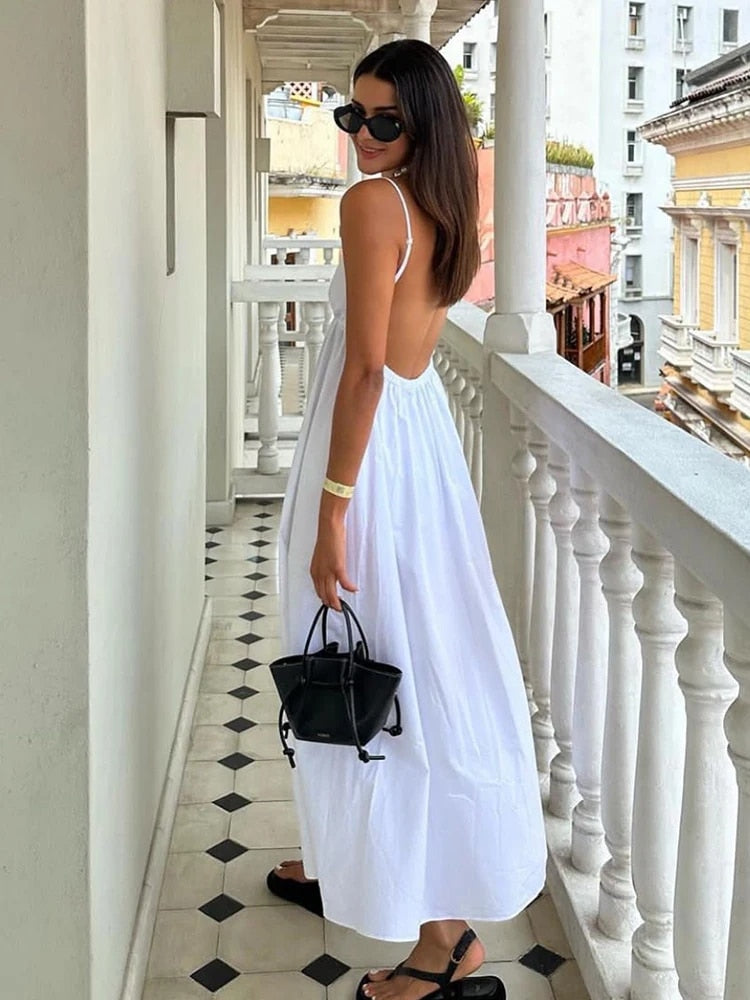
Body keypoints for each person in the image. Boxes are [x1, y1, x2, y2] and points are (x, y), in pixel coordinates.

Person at [273, 39, 547, 1000]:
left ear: (422, 124)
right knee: (411, 653)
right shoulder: (443, 205)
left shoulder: (372, 204)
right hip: (419, 440)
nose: (360, 136)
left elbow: (361, 370)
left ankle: (442, 941)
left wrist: (333, 511)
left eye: (382, 120)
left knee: (375, 661)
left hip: (376, 449)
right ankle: (346, 855)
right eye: (352, 116)